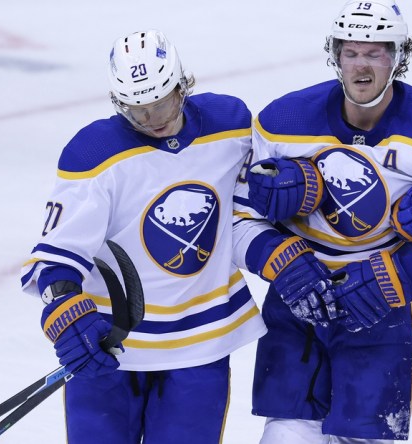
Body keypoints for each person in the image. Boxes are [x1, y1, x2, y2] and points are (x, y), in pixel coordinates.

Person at [230, 1, 412, 442]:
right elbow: (240, 216)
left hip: (383, 310)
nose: (361, 65)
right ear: (335, 54)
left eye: (375, 53)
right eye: (351, 52)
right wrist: (280, 259)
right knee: (285, 434)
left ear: (399, 56)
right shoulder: (283, 122)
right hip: (299, 298)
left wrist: (399, 276)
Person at [20, 30, 266, 443]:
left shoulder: (230, 126)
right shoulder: (94, 153)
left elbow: (255, 201)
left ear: (182, 85)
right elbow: (57, 255)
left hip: (200, 343)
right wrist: (65, 312)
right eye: (137, 111)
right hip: (109, 343)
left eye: (161, 102)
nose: (152, 118)